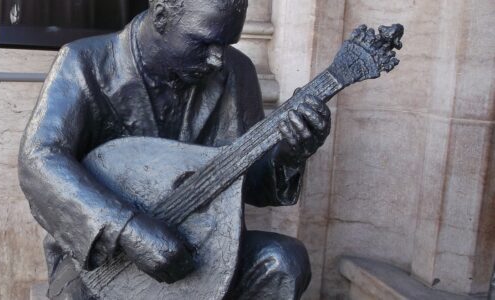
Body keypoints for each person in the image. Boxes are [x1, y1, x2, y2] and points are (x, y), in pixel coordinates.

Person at [18, 0, 331, 298]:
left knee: (284, 263)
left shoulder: (236, 72)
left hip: (203, 250)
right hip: (105, 260)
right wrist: (127, 228)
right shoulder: (84, 63)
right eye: (203, 43)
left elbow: (251, 182)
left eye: (226, 43)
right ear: (162, 17)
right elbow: (40, 156)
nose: (217, 59)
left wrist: (290, 151)